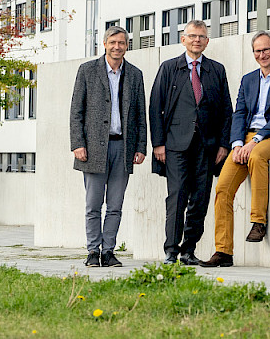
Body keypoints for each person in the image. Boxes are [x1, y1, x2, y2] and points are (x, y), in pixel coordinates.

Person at [200, 30, 270, 267]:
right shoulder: (248, 80)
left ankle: (258, 221)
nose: (262, 54)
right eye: (257, 51)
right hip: (246, 139)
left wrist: (254, 142)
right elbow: (240, 113)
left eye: (266, 49)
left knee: (256, 156)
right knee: (223, 188)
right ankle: (223, 252)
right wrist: (237, 144)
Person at [149, 20, 233, 266]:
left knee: (200, 198)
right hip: (175, 145)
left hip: (207, 146)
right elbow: (156, 107)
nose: (197, 40)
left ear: (207, 42)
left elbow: (227, 110)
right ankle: (171, 251)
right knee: (176, 197)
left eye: (202, 37)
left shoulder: (217, 70)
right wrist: (158, 144)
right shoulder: (169, 68)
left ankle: (189, 250)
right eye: (192, 36)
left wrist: (223, 145)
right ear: (183, 39)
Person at [70, 25, 147, 267]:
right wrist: (77, 144)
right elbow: (76, 111)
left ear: (127, 45)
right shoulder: (87, 71)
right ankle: (93, 251)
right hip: (93, 149)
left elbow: (139, 115)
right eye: (112, 42)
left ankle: (109, 251)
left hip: (122, 147)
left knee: (115, 205)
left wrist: (141, 147)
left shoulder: (135, 75)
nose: (117, 47)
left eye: (121, 43)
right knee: (93, 205)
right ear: (104, 44)